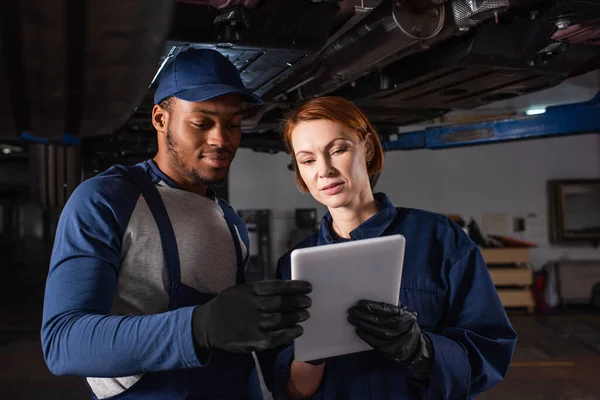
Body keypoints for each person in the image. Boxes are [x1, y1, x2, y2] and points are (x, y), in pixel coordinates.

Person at [40, 48, 313, 399]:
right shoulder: (106, 200)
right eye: (202, 123)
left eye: (232, 124)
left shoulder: (230, 221)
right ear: (160, 119)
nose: (221, 139)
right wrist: (199, 327)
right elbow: (64, 343)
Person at [269, 96, 518, 399]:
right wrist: (312, 351)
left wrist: (421, 351)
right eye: (307, 160)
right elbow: (292, 391)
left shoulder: (439, 239)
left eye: (337, 150)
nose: (324, 170)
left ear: (368, 147)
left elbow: (490, 352)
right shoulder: (292, 267)